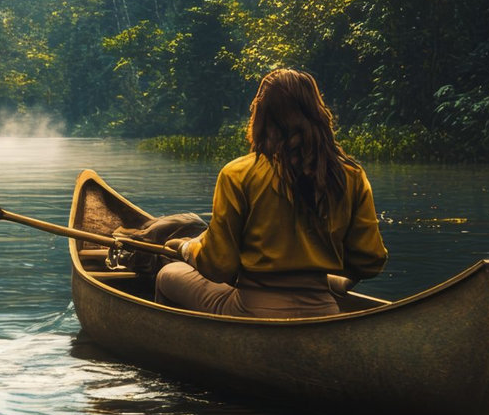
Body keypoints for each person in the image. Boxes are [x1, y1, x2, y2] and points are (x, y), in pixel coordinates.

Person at [154, 69, 387, 318]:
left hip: (252, 310)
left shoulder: (237, 173)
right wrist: (318, 274)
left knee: (167, 275)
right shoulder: (351, 175)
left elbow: (219, 266)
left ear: (260, 116)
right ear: (317, 113)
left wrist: (187, 249)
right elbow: (369, 260)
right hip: (323, 311)